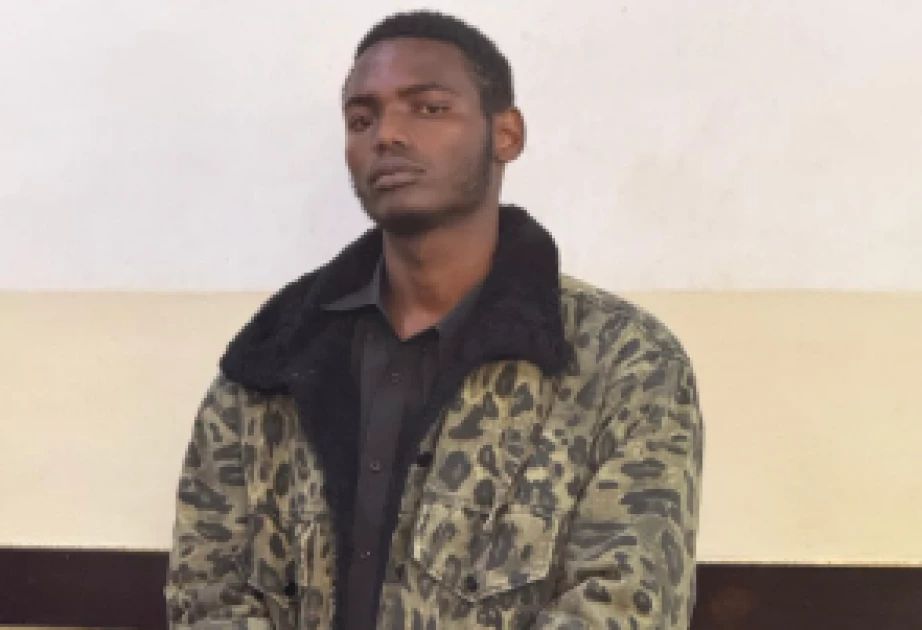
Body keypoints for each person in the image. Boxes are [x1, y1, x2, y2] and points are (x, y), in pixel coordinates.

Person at [165, 10, 703, 630]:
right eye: (361, 120)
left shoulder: (623, 362)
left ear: (506, 134)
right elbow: (208, 593)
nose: (387, 135)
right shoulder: (272, 358)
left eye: (428, 108)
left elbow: (625, 606)